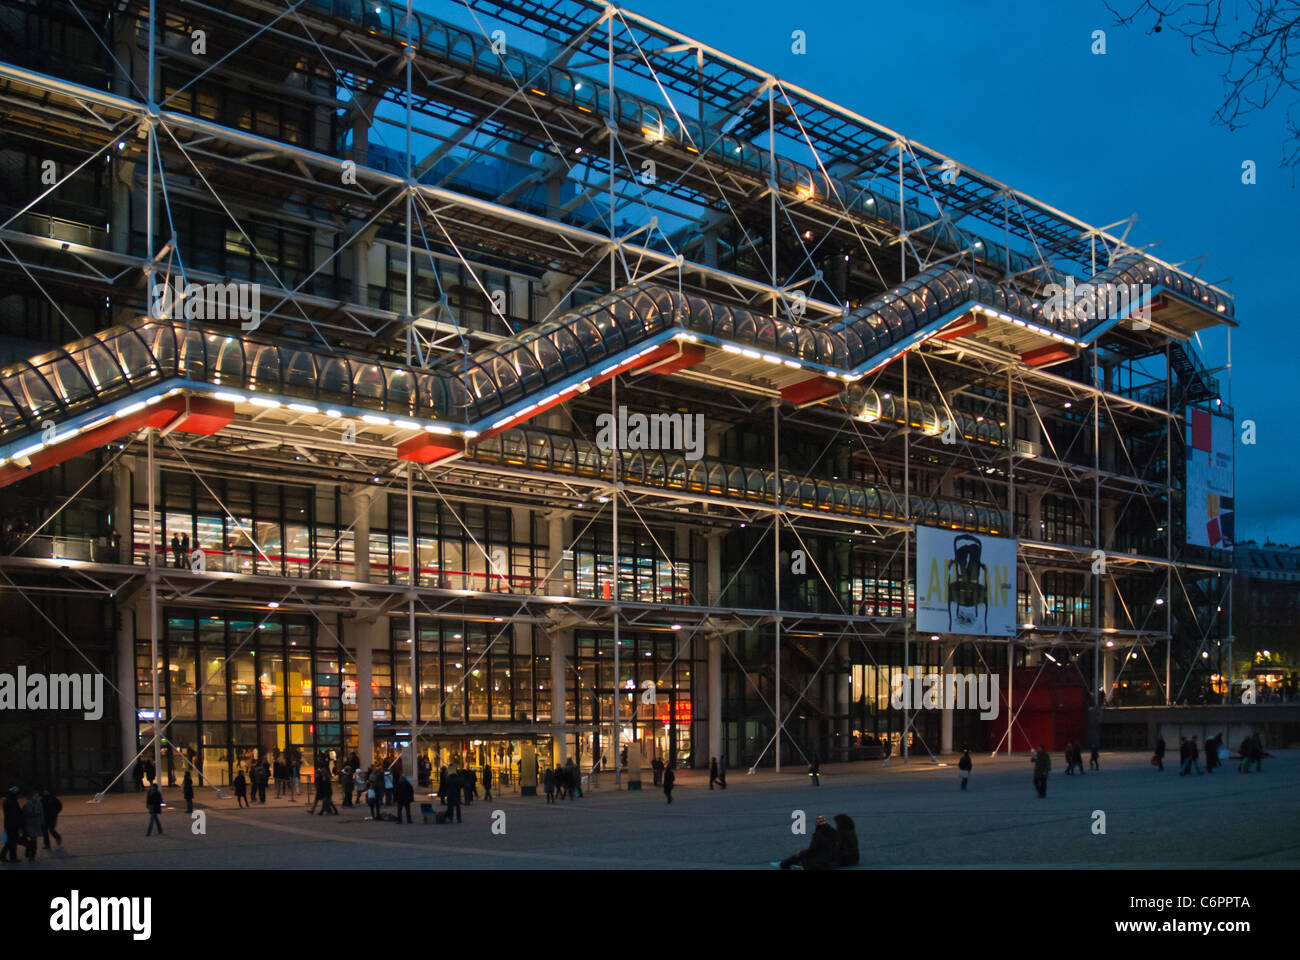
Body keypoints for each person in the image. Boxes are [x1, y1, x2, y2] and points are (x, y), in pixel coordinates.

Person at [2, 786, 23, 862]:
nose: (19, 796)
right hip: (12, 825)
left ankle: (3, 855)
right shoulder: (12, 802)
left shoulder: (8, 800)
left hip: (9, 824)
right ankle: (12, 857)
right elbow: (15, 814)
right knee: (12, 841)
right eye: (18, 794)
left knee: (10, 841)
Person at [22, 791, 43, 861]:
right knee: (33, 840)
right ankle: (30, 853)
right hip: (34, 824)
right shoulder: (36, 803)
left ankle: (31, 854)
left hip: (32, 824)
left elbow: (25, 814)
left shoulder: (29, 804)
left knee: (33, 840)